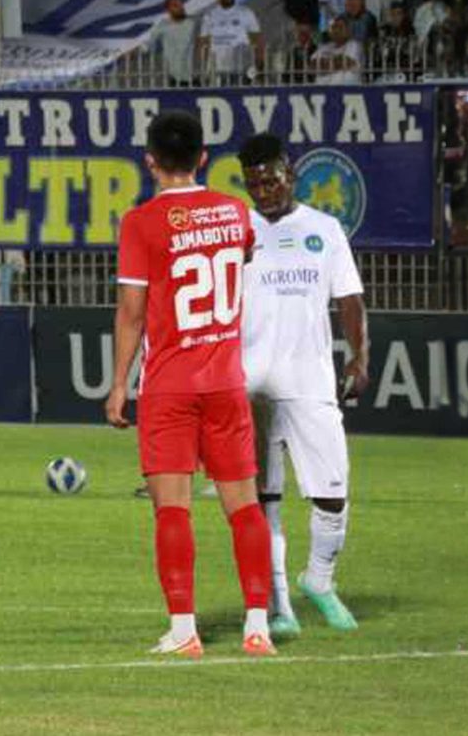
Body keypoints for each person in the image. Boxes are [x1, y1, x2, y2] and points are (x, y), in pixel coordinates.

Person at [104, 110, 276, 660]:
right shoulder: (236, 212)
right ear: (204, 157)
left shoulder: (141, 223)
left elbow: (132, 313)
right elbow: (241, 253)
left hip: (170, 385)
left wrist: (117, 385)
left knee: (172, 508)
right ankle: (257, 628)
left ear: (150, 161)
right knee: (244, 507)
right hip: (226, 382)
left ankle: (184, 631)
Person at [235, 135, 369, 640]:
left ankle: (320, 580)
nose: (263, 191)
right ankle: (280, 606)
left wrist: (360, 357)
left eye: (270, 180)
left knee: (332, 492)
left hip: (311, 381)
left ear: (290, 175)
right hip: (250, 386)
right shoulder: (236, 230)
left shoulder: (324, 228)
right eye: (252, 183)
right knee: (264, 498)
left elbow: (350, 299)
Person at [195, 0, 262, 86]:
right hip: (216, 69)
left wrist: (258, 66)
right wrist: (202, 69)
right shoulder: (209, 15)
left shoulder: (246, 13)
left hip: (241, 68)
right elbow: (203, 43)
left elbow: (257, 41)